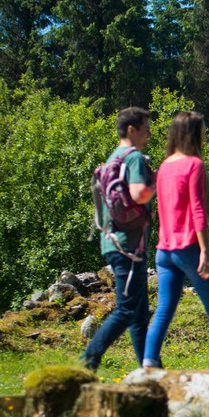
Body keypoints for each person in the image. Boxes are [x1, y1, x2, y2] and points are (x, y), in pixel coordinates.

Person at [142, 111, 209, 369]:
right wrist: (205, 250)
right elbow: (197, 209)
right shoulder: (194, 165)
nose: (205, 133)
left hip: (164, 251)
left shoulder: (164, 167)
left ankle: (148, 363)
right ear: (194, 133)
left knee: (163, 310)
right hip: (189, 248)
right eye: (203, 129)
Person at [81, 107, 155, 372]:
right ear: (131, 129)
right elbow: (138, 194)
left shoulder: (113, 157)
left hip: (111, 240)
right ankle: (88, 360)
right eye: (145, 128)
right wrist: (158, 183)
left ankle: (150, 368)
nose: (149, 133)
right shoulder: (133, 158)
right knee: (126, 310)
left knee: (138, 313)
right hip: (128, 245)